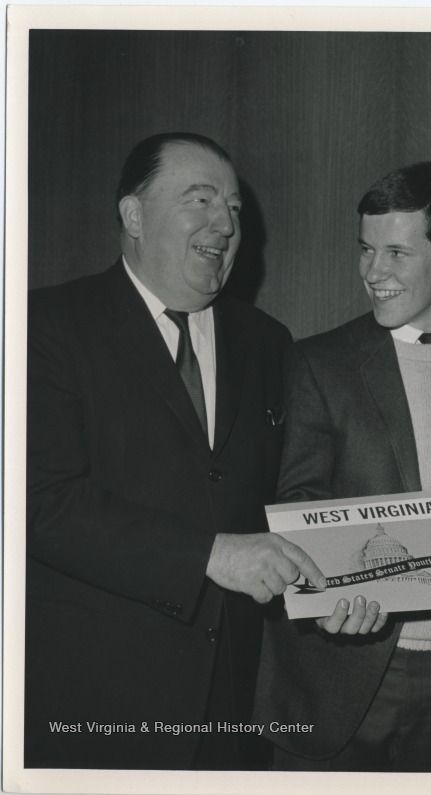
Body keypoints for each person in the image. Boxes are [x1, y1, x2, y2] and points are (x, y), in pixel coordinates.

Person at [25, 133, 326, 770]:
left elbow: (290, 494)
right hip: (97, 698)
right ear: (133, 216)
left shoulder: (269, 341)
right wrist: (210, 555)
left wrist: (342, 579)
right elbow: (39, 503)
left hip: (234, 705)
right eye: (201, 200)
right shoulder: (44, 326)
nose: (225, 223)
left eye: (236, 208)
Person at [254, 161, 431, 772]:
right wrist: (325, 592)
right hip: (344, 670)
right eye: (366, 250)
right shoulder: (318, 362)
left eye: (396, 253)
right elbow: (299, 500)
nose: (372, 272)